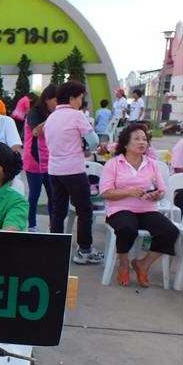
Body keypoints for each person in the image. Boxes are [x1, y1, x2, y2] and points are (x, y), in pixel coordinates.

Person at [99, 123, 178, 287]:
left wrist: (157, 195)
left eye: (144, 139)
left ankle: (143, 264)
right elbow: (105, 192)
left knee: (170, 231)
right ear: (126, 143)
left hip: (147, 209)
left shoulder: (152, 164)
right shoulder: (113, 164)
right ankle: (123, 262)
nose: (142, 142)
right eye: (137, 139)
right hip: (120, 209)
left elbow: (162, 190)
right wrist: (128, 192)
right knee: (127, 228)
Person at [44, 80, 103, 264]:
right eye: (80, 98)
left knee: (58, 210)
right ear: (71, 98)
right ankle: (84, 249)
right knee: (84, 209)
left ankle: (55, 247)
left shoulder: (51, 117)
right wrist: (85, 148)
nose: (81, 102)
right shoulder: (76, 115)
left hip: (54, 170)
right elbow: (93, 141)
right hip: (74, 170)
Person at [23, 84, 56, 232]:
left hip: (50, 161)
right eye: (56, 101)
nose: (58, 105)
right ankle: (32, 225)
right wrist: (52, 118)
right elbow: (36, 131)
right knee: (34, 195)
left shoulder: (53, 114)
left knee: (53, 196)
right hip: (34, 160)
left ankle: (53, 225)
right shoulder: (34, 113)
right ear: (47, 99)